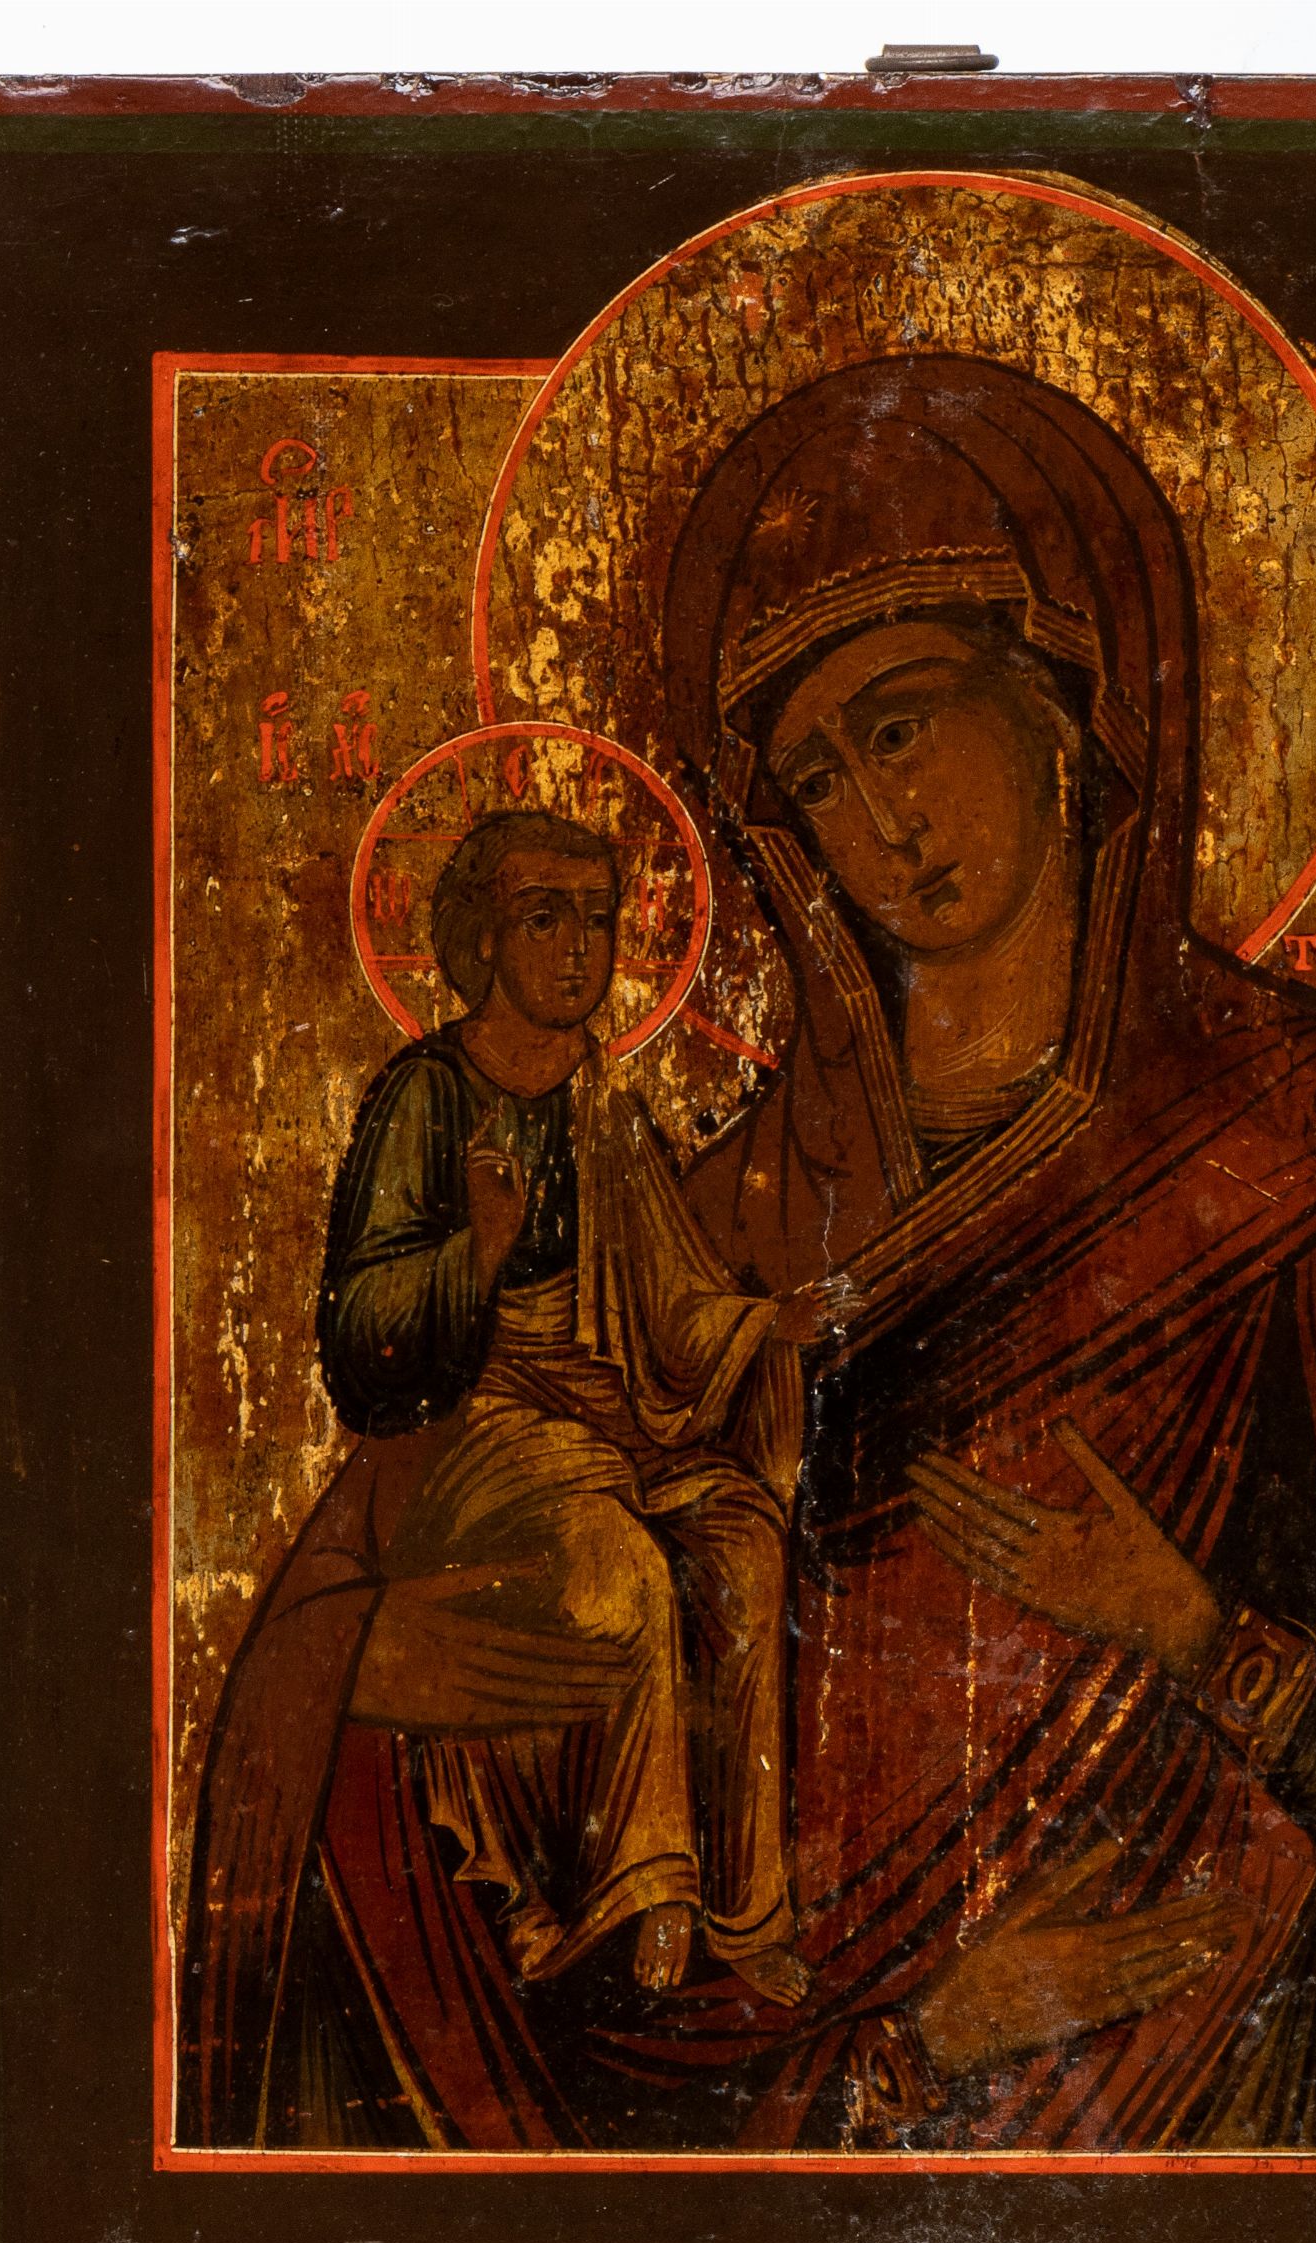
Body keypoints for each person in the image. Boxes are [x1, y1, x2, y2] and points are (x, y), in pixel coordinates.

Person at [613, 353, 1316, 2153]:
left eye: (901, 726)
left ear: (1061, 706)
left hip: (1245, 2108)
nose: (877, 818)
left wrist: (1204, 1638)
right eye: (815, 776)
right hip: (843, 2117)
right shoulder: (708, 1240)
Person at [180, 809, 830, 2150]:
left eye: (597, 921)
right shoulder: (425, 1098)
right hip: (477, 1423)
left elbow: (665, 1299)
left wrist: (766, 1327)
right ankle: (638, 1888)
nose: (579, 950)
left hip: (611, 1414)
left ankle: (744, 1904)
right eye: (545, 919)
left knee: (742, 1543)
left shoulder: (601, 1099)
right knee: (616, 1567)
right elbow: (360, 1339)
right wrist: (475, 1252)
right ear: (481, 940)